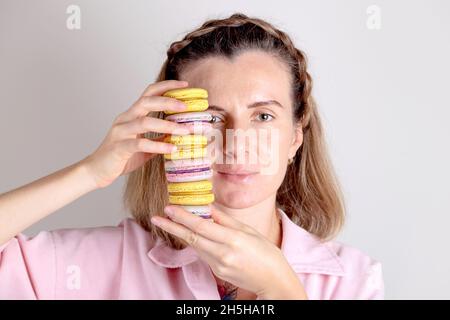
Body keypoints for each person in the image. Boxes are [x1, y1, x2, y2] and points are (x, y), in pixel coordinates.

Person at [0, 13, 384, 299]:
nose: (236, 142)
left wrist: (282, 288)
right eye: (212, 118)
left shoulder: (352, 280)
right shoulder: (106, 261)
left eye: (263, 116)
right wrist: (89, 172)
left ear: (295, 139)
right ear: (172, 130)